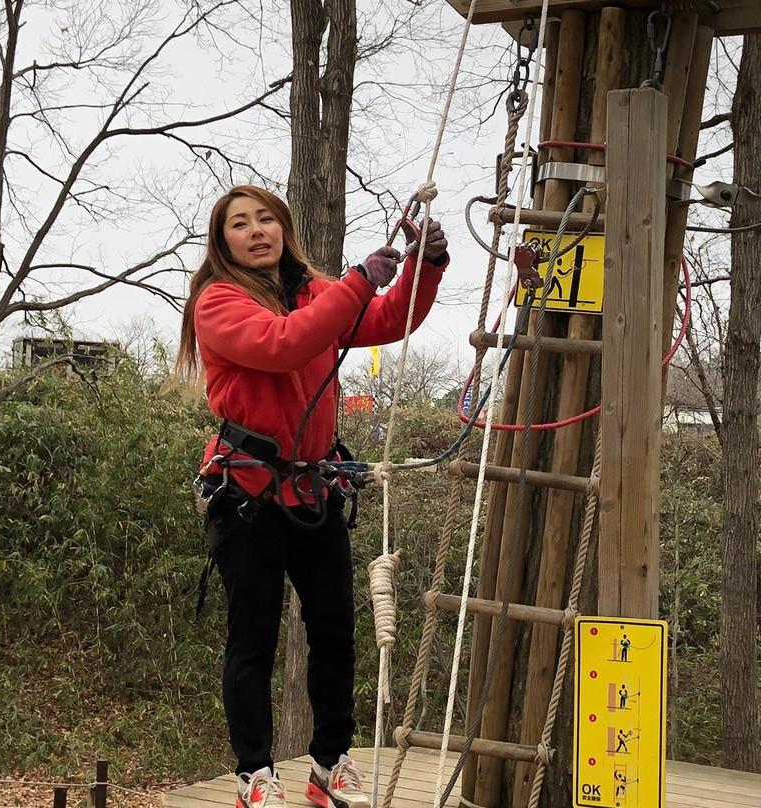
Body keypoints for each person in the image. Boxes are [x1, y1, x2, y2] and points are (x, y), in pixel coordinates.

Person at [174, 185, 449, 808]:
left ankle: (329, 765)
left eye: (266, 218)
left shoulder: (310, 291)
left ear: (283, 228)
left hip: (310, 484)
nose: (256, 230)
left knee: (333, 631)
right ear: (224, 243)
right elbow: (283, 344)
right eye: (240, 224)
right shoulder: (217, 302)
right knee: (253, 639)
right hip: (246, 491)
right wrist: (357, 281)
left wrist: (421, 269)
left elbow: (382, 320)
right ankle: (255, 775)